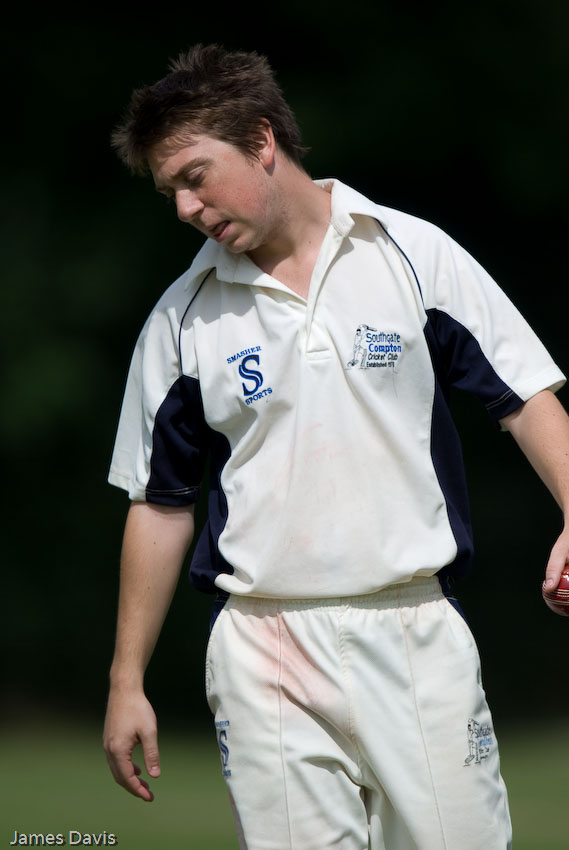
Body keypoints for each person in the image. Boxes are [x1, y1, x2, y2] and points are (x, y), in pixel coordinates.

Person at [103, 43, 569, 850]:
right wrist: (125, 679)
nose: (183, 206)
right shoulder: (182, 318)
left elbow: (524, 396)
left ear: (260, 140)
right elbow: (160, 504)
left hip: (413, 632)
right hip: (260, 651)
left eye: (194, 176)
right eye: (168, 190)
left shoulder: (410, 253)